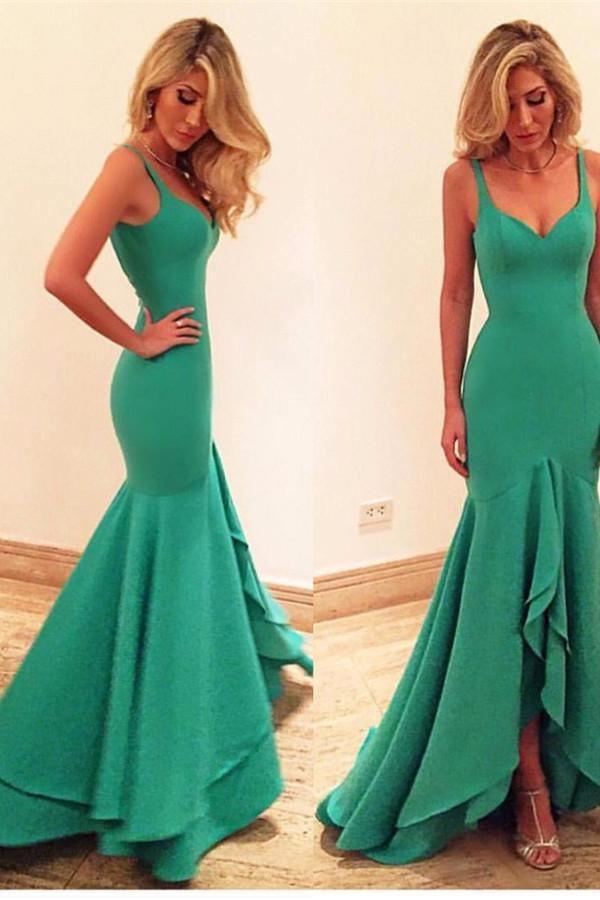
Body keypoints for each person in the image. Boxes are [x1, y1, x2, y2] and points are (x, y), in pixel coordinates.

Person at [0, 17, 312, 884]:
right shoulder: (128, 165)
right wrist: (137, 339)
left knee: (172, 555)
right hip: (159, 389)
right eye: (183, 97)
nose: (193, 117)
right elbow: (61, 272)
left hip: (186, 386)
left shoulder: (181, 170)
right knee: (165, 559)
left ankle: (161, 748)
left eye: (208, 106)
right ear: (154, 85)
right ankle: (146, 785)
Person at [316, 18, 600, 873]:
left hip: (577, 391)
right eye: (509, 104)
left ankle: (563, 757)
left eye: (536, 98)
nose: (525, 118)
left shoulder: (594, 172)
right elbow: (452, 295)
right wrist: (450, 401)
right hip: (501, 396)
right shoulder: (464, 180)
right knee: (504, 590)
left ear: (557, 91)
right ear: (487, 105)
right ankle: (527, 784)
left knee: (575, 575)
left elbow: (598, 299)